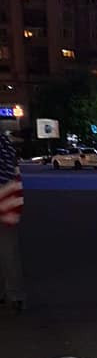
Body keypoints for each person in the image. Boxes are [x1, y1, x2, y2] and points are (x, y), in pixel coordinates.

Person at [0, 133, 25, 312]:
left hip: (4, 195)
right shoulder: (5, 142)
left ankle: (10, 293)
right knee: (8, 248)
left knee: (7, 249)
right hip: (6, 197)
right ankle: (13, 294)